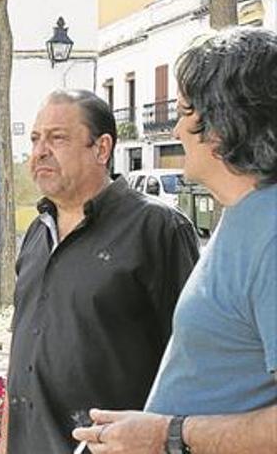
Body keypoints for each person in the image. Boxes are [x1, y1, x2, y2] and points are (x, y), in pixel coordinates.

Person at [72, 27, 277, 454]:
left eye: (185, 112)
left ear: (221, 125)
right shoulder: (244, 215)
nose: (178, 130)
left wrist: (167, 434)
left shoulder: (272, 232)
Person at [1, 89, 200, 453]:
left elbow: (196, 360)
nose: (40, 150)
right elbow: (21, 352)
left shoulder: (157, 229)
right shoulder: (37, 232)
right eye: (35, 139)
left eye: (57, 138)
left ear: (101, 148)